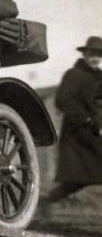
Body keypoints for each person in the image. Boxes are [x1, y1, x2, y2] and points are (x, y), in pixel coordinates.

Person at [41, 37, 102, 212]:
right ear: (84, 54)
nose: (95, 58)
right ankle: (45, 202)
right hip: (78, 134)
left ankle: (46, 202)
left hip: (95, 133)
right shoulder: (74, 74)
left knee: (82, 178)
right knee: (80, 177)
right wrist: (87, 120)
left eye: (99, 54)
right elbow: (63, 100)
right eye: (92, 54)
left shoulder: (99, 76)